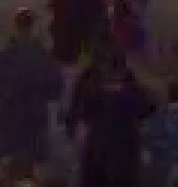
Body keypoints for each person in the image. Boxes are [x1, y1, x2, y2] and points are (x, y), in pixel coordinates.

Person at [0, 8, 64, 180]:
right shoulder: (44, 57)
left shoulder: (4, 56)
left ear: (16, 26)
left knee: (12, 169)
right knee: (31, 170)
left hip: (10, 118)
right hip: (35, 119)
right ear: (33, 27)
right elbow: (55, 90)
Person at [65, 46, 154, 187]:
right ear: (124, 71)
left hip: (96, 156)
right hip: (124, 158)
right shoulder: (133, 95)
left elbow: (80, 126)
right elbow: (153, 106)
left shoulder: (92, 93)